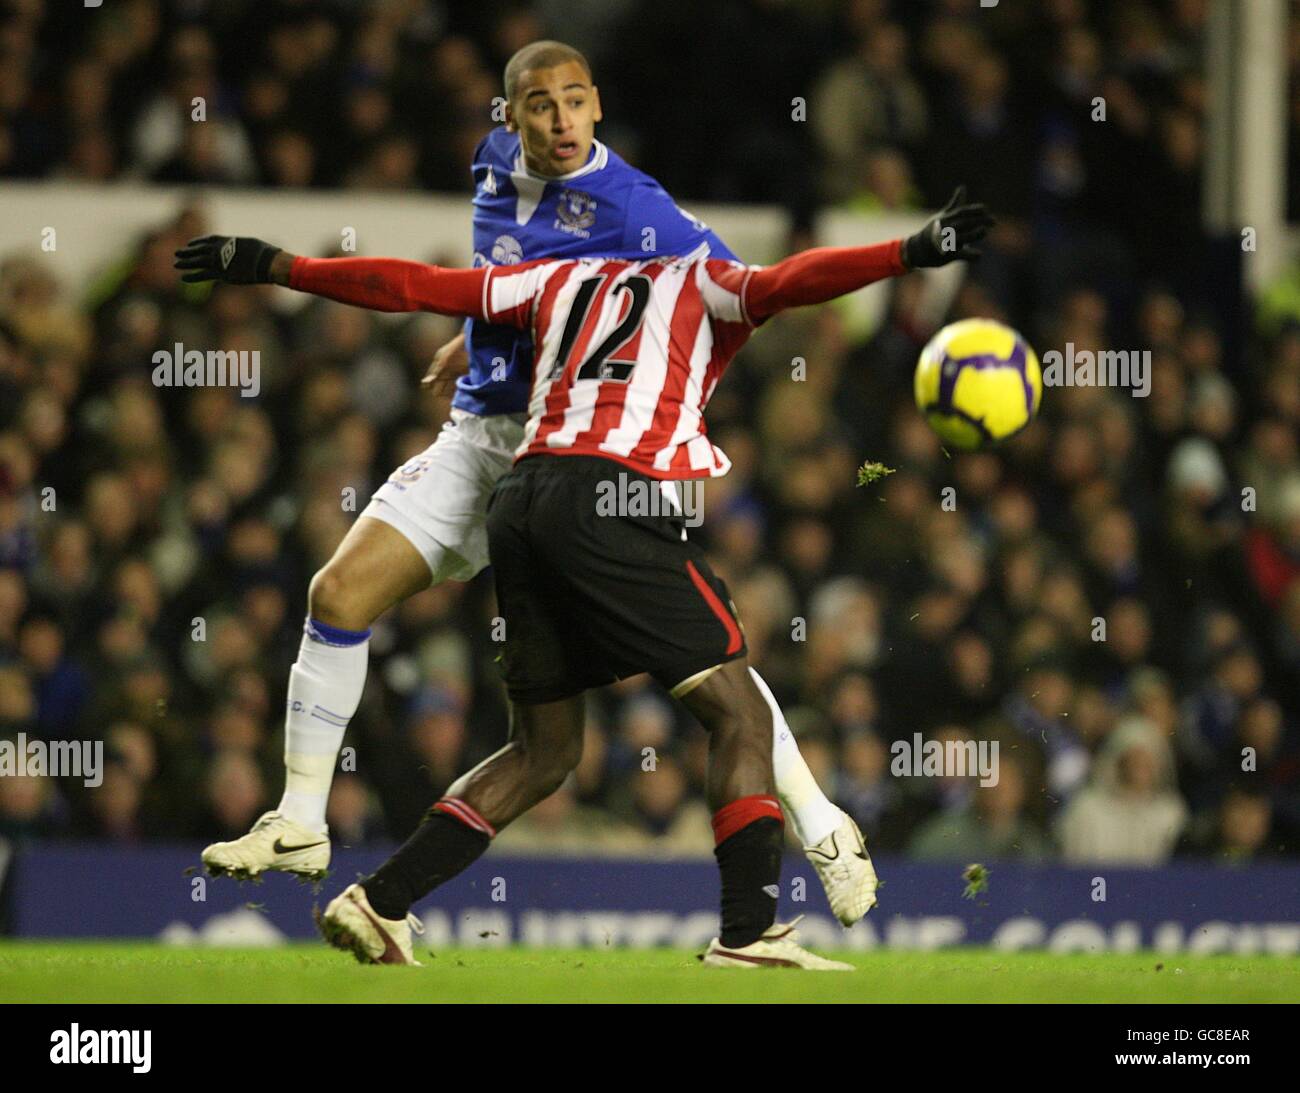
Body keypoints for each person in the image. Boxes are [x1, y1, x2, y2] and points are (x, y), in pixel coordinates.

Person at [175, 181, 992, 967]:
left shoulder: (555, 281)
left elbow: (415, 284)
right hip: (611, 496)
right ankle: (750, 934)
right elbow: (798, 280)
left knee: (545, 750)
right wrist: (912, 250)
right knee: (736, 706)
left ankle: (380, 901)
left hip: (520, 503)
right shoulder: (700, 277)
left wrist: (278, 265)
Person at [193, 40, 881, 926]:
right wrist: (484, 338)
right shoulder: (489, 170)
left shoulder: (641, 211)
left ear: (595, 106)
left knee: (708, 670)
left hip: (581, 450)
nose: (559, 123)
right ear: (507, 115)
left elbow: (715, 297)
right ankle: (298, 821)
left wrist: (665, 401)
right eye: (540, 107)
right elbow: (492, 286)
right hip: (484, 439)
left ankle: (821, 825)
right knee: (339, 592)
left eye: (574, 104)